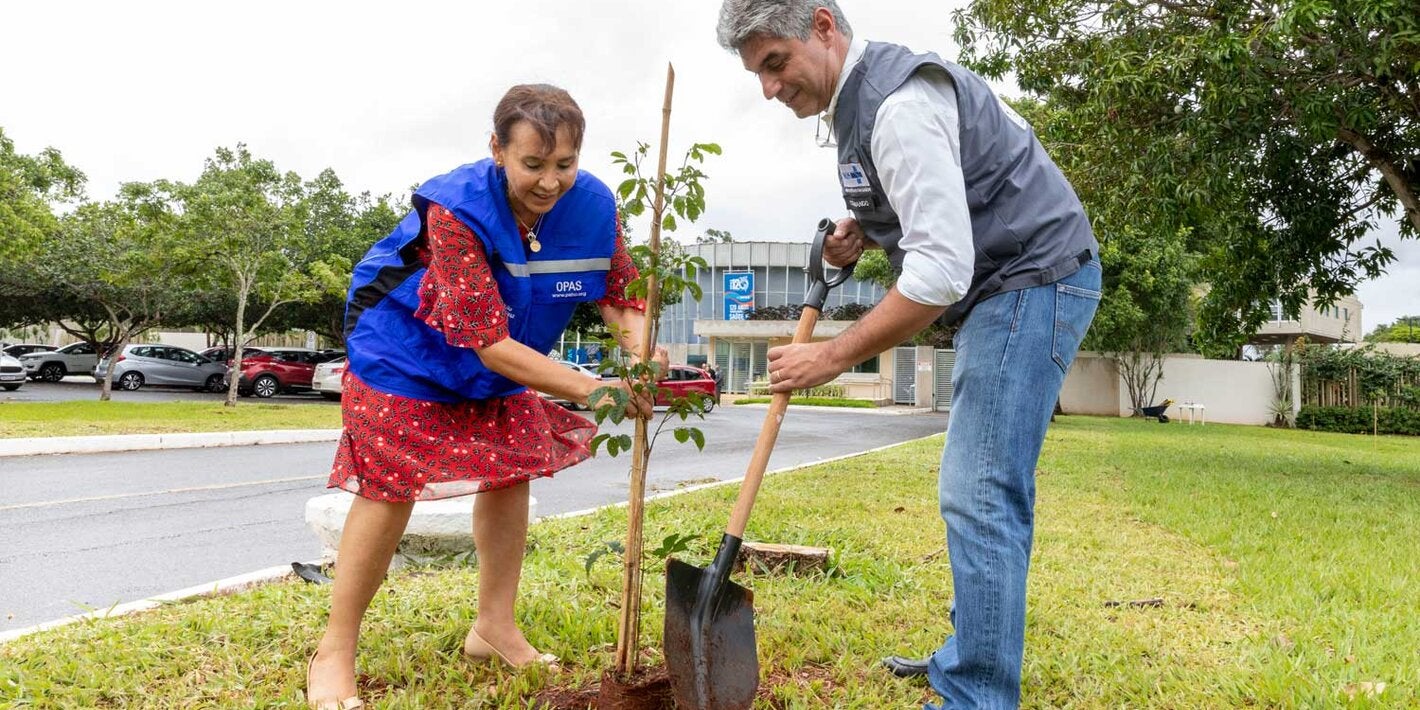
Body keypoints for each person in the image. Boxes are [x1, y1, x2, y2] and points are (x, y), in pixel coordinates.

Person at [716, 3, 1101, 708]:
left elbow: (938, 273)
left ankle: (978, 694)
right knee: (982, 484)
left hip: (1031, 278)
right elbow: (934, 199)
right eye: (757, 74)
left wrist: (830, 358)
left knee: (981, 489)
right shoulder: (862, 105)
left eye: (776, 63)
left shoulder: (895, 109)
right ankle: (971, 655)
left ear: (824, 28)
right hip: (1006, 283)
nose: (769, 89)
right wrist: (861, 231)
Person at [304, 84, 665, 710]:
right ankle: (335, 651)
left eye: (564, 164)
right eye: (532, 164)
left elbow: (618, 291)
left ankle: (493, 629)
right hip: (404, 348)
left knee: (509, 469)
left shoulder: (595, 205)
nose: (550, 181)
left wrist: (638, 355)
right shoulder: (457, 210)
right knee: (391, 485)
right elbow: (489, 344)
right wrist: (596, 390)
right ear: (496, 149)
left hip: (503, 354)